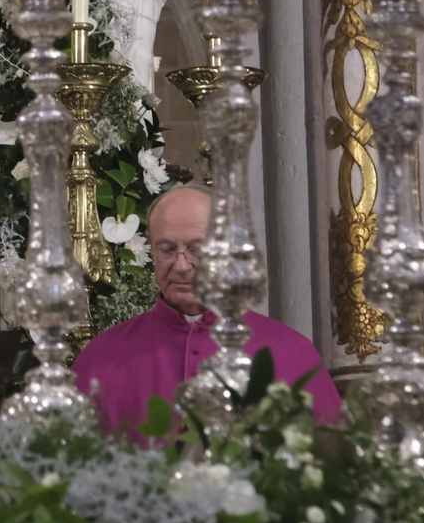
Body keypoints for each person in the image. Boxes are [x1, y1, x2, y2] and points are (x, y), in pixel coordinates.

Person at [72, 184, 342, 439]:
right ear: (151, 246)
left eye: (196, 250)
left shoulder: (289, 353)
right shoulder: (101, 359)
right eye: (167, 250)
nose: (181, 265)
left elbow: (332, 465)